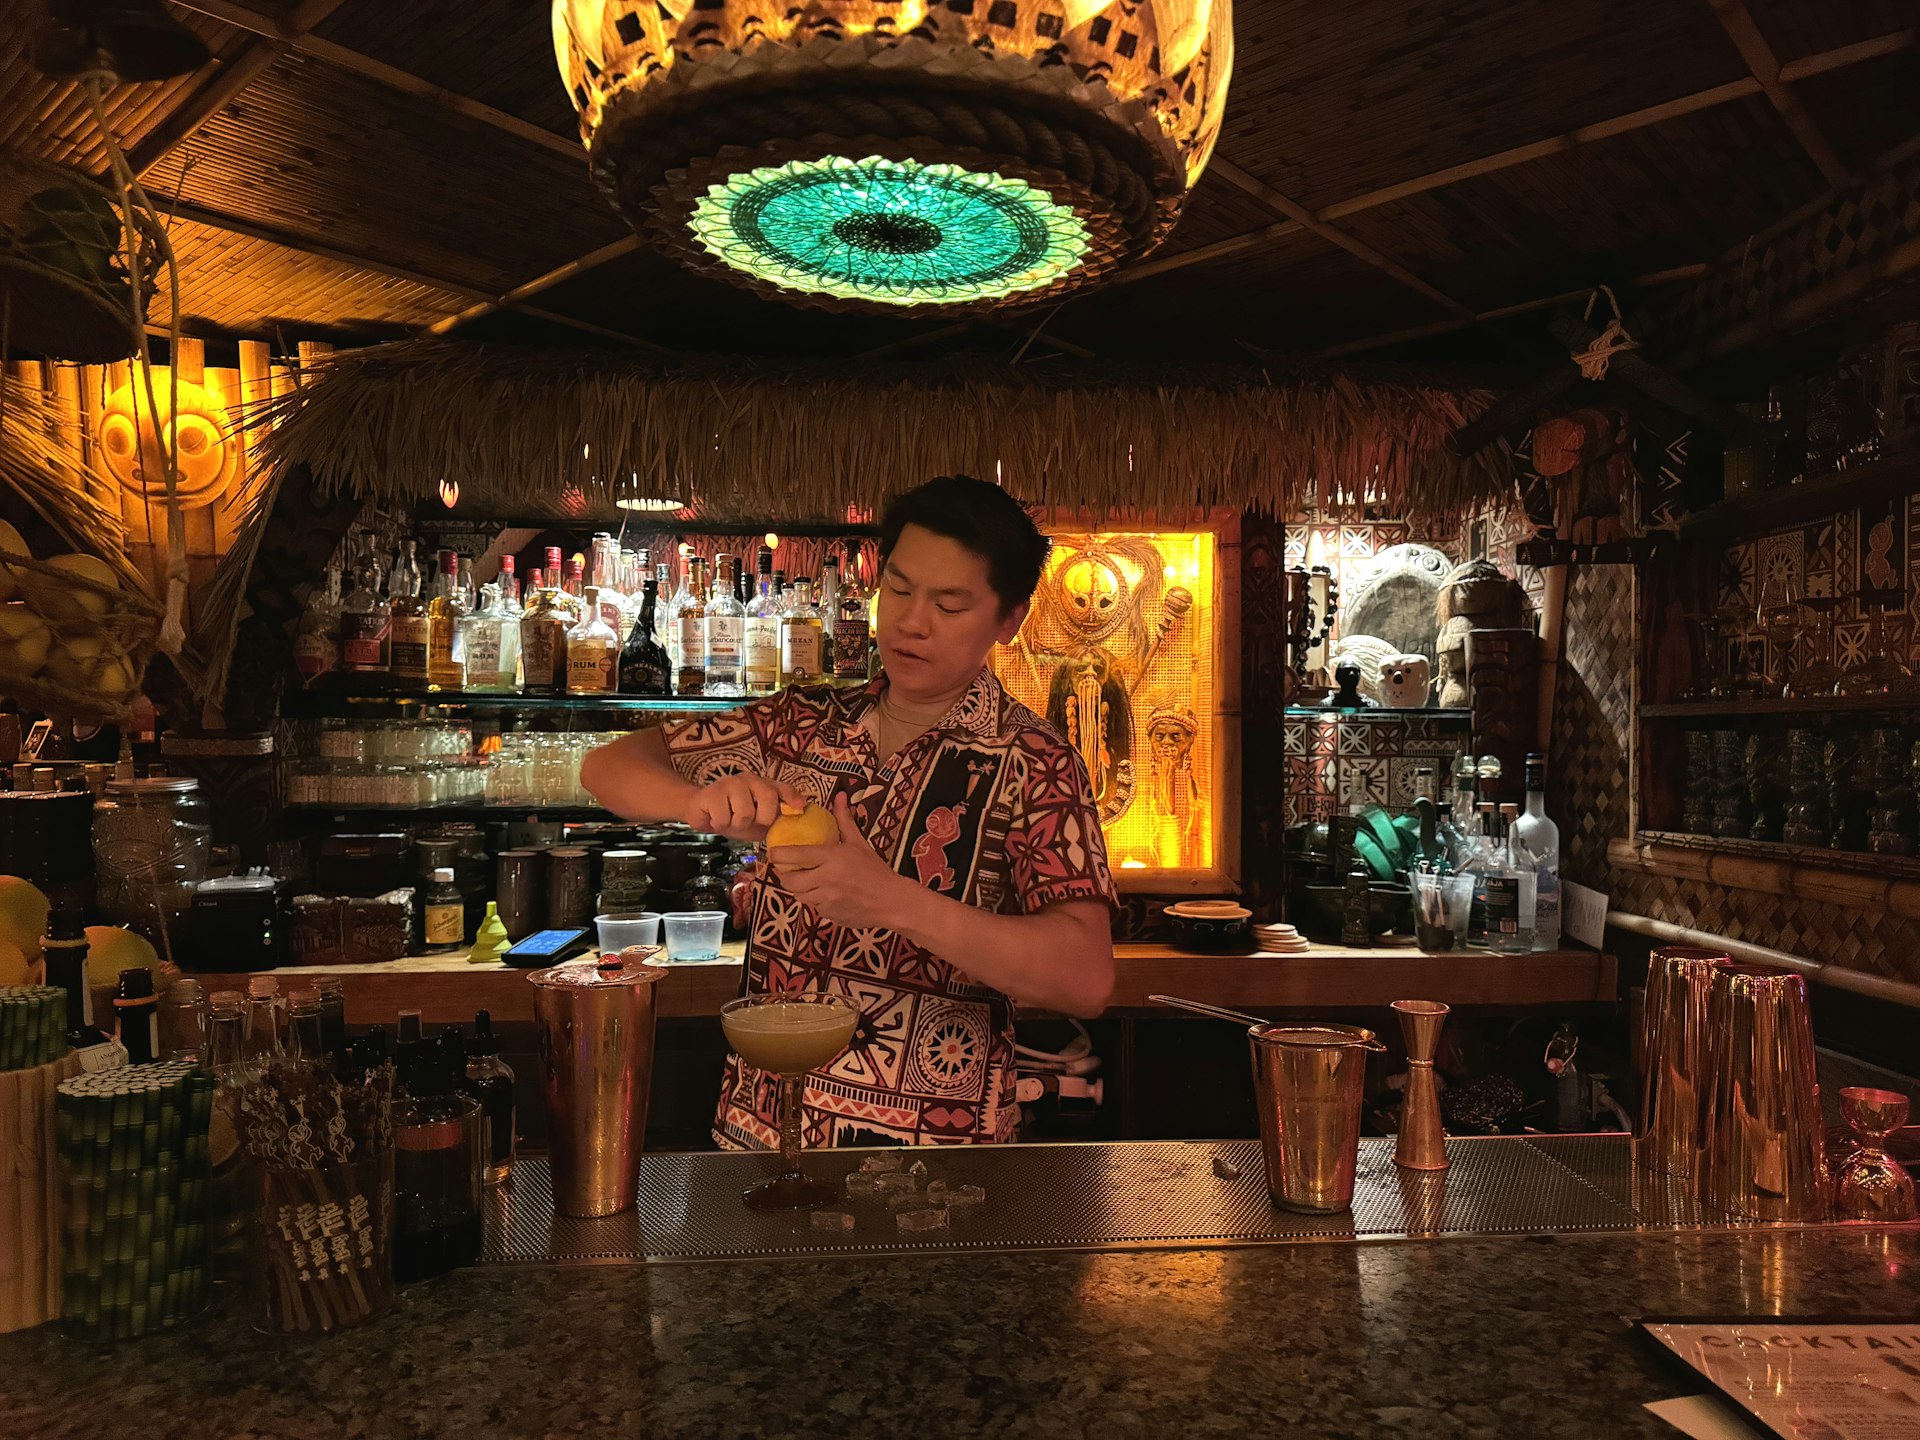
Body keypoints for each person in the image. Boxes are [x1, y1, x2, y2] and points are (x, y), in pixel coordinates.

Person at [581, 475, 1116, 1147]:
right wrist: (699, 801)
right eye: (898, 588)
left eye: (950, 604)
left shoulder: (1037, 762)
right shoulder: (799, 725)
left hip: (939, 1168)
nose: (912, 621)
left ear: (1008, 620)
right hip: (762, 1138)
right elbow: (606, 768)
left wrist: (891, 900)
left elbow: (1085, 977)